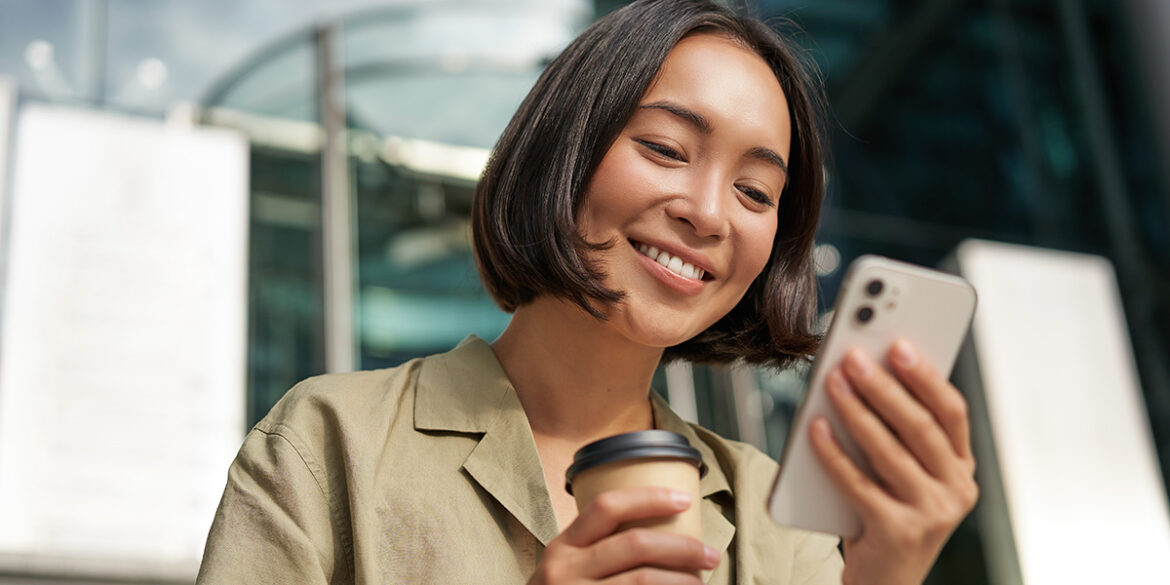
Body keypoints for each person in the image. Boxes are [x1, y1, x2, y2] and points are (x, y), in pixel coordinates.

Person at [196, 1, 978, 583]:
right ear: (564, 148)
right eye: (667, 148)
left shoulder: (773, 516)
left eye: (755, 192)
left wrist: (888, 573)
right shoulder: (332, 442)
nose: (707, 213)